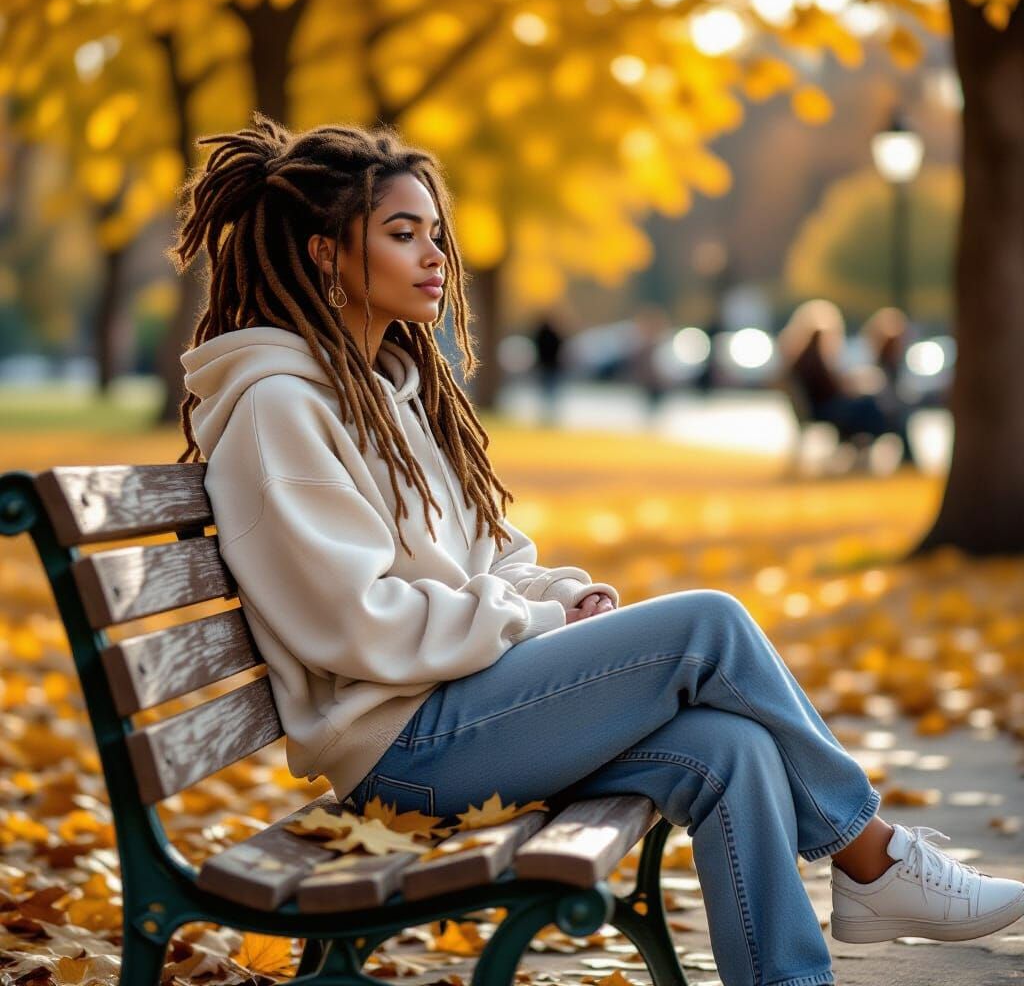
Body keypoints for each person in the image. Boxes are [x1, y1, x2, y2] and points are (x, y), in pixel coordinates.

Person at [172, 114, 1023, 986]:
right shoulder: (281, 408)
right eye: (401, 235)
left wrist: (561, 597)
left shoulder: (393, 390)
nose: (435, 256)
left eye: (435, 233)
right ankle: (874, 860)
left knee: (733, 750)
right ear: (321, 253)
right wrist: (538, 621)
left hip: (460, 709)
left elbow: (492, 554)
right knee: (709, 625)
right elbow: (359, 625)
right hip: (404, 748)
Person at [778, 300, 918, 468]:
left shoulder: (801, 360)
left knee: (871, 406)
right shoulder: (814, 362)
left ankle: (875, 447)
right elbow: (833, 389)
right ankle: (896, 451)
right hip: (827, 411)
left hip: (824, 409)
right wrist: (851, 384)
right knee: (872, 407)